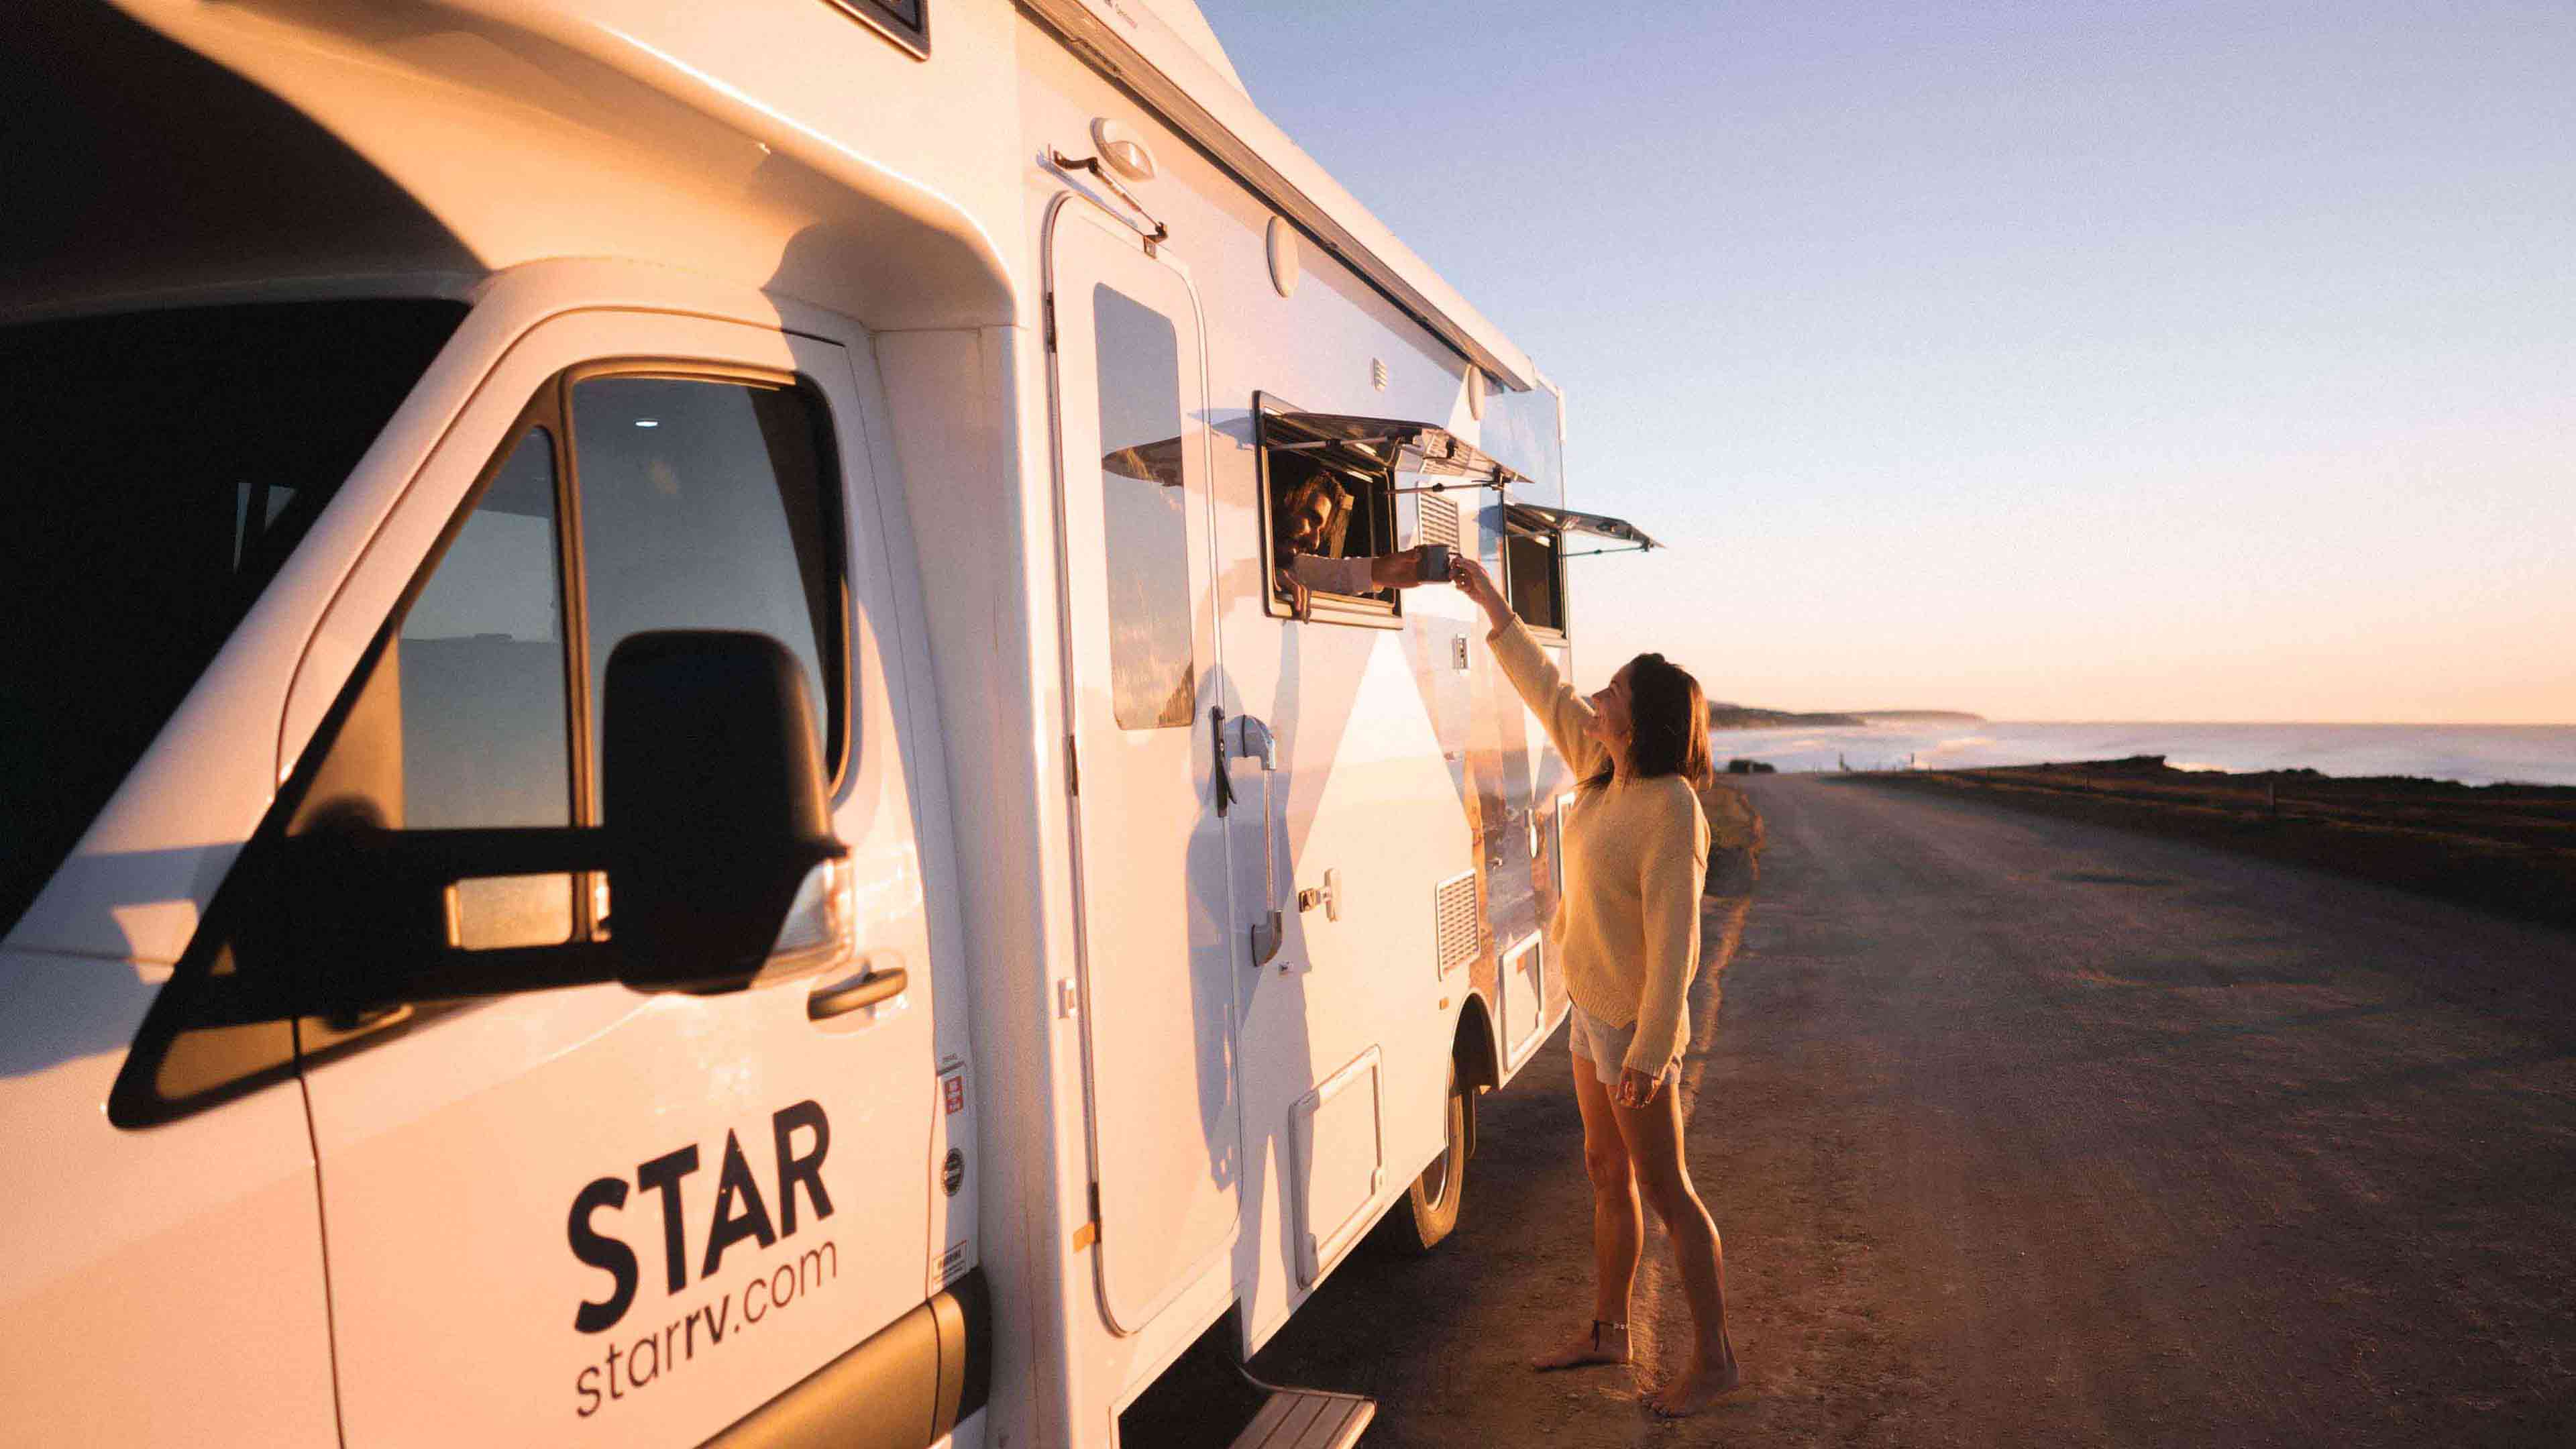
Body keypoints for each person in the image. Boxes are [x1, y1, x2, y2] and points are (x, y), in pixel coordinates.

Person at [1449, 554, 1746, 1418]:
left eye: (1613, 691)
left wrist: (1651, 1053)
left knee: (1667, 1191)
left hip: (1635, 1032)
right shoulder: (1602, 768)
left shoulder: (1670, 808)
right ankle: (1609, 1333)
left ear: (1642, 716)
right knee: (1602, 1168)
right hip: (1591, 1010)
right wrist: (1490, 600)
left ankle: (1717, 1360)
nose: (1599, 699)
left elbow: (1678, 947)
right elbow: (1544, 687)